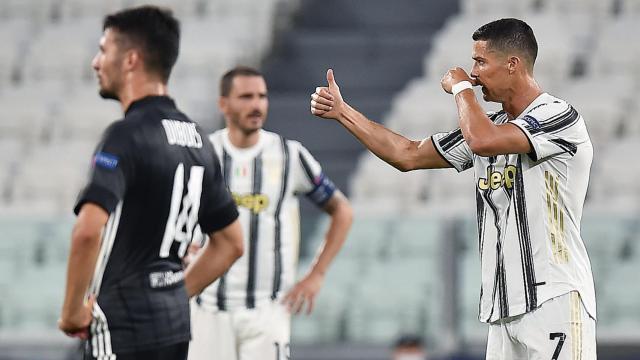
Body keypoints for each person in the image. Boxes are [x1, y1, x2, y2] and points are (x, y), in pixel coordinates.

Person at [310, 18, 596, 360]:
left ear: (513, 65)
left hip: (554, 298)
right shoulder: (493, 125)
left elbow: (482, 141)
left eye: (480, 62)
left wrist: (461, 90)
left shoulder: (558, 116)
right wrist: (343, 113)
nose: (473, 73)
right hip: (503, 310)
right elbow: (407, 154)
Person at [57, 6, 244, 360]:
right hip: (172, 325)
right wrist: (172, 294)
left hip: (120, 326)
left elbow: (86, 231)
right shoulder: (199, 140)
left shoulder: (125, 136)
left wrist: (72, 313)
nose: (96, 62)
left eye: (104, 50)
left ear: (130, 60)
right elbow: (231, 243)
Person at [187, 66, 353, 360]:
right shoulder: (203, 154)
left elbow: (341, 210)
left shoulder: (289, 155)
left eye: (262, 96)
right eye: (246, 97)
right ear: (223, 104)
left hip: (267, 310)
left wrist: (316, 274)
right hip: (208, 308)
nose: (256, 104)